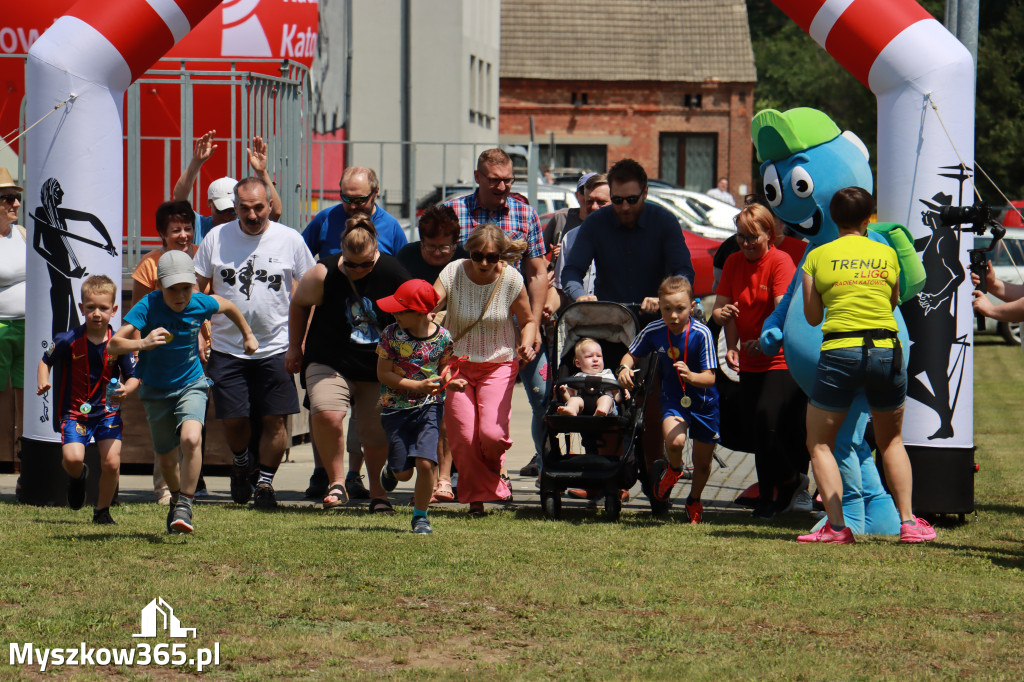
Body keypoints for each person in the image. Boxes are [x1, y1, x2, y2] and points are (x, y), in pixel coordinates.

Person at [798, 187, 935, 544]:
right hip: (886, 351)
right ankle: (908, 524)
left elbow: (812, 317)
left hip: (840, 352)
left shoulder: (817, 255)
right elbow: (892, 302)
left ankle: (838, 528)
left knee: (820, 443)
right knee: (891, 440)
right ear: (868, 219)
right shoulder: (886, 252)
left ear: (832, 217)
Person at [562, 159, 695, 508]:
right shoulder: (597, 223)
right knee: (603, 399)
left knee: (652, 411)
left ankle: (657, 486)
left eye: (631, 200)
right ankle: (607, 478)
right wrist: (581, 295)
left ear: (645, 193)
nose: (623, 207)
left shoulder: (664, 222)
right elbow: (572, 271)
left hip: (654, 327)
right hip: (612, 325)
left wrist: (664, 297)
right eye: (617, 199)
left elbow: (684, 270)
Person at [111, 251, 258, 534]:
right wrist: (143, 343)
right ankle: (176, 497)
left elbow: (228, 306)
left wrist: (248, 335)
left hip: (192, 384)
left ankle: (185, 504)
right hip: (154, 391)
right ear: (159, 287)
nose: (180, 296)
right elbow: (114, 345)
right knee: (166, 459)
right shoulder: (148, 304)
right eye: (172, 289)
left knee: (191, 439)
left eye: (186, 288)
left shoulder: (199, 302)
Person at [193, 176, 315, 509]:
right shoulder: (217, 238)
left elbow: (310, 290)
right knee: (234, 419)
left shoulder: (289, 239)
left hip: (276, 345)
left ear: (269, 206)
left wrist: (299, 342)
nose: (252, 215)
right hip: (226, 347)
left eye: (259, 207)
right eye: (245, 209)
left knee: (276, 419)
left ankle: (265, 485)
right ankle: (242, 461)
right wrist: (201, 329)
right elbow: (194, 289)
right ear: (235, 208)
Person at [286, 215, 409, 514]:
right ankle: (337, 482)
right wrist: (294, 347)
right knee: (327, 413)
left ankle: (378, 494)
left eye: (365, 264)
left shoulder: (392, 272)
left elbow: (414, 312)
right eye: (351, 264)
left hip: (376, 365)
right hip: (329, 357)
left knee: (375, 432)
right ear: (341, 250)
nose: (357, 270)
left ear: (376, 251)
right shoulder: (323, 272)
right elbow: (299, 304)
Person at [443, 149, 549, 486]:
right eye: (494, 180)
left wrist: (533, 322)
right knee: (461, 412)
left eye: (507, 180)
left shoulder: (525, 213)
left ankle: (540, 466)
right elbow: (439, 263)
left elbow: (536, 272)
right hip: (463, 321)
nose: (502, 186)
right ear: (477, 177)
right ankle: (459, 475)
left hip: (514, 316)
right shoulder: (455, 212)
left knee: (540, 393)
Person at [712, 203, 809, 518]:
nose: (746, 244)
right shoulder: (732, 262)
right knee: (757, 430)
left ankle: (792, 481)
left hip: (780, 357)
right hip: (749, 359)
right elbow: (722, 308)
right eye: (741, 237)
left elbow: (783, 311)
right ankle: (768, 496)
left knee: (769, 425)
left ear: (771, 234)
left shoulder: (781, 262)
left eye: (753, 237)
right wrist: (731, 342)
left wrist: (765, 342)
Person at [433, 224, 537, 517]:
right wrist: (423, 314)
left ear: (501, 256)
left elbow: (528, 321)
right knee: (464, 439)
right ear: (469, 251)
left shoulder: (511, 279)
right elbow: (430, 301)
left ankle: (491, 472)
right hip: (457, 366)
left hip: (498, 365)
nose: (483, 263)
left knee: (490, 435)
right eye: (478, 255)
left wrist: (527, 344)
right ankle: (476, 500)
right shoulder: (453, 272)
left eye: (491, 257)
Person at [36, 275, 139, 525]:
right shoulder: (67, 339)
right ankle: (78, 476)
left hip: (108, 413)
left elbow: (135, 376)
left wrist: (127, 389)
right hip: (74, 413)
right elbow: (45, 360)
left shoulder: (119, 344)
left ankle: (102, 511)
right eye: (90, 307)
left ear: (114, 310)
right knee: (72, 459)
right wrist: (43, 380)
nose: (96, 313)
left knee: (112, 463)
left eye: (103, 308)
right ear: (81, 308)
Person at [617, 276, 718, 524]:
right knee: (674, 441)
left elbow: (710, 378)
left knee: (703, 464)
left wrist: (692, 376)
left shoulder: (701, 333)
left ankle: (694, 500)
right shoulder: (654, 330)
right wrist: (623, 369)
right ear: (659, 306)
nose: (673, 316)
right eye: (667, 309)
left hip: (704, 404)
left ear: (692, 307)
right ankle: (673, 469)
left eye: (680, 309)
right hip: (674, 399)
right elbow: (631, 354)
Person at [131, 200, 211, 503]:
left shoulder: (198, 261)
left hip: (191, 355)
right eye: (175, 230)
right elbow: (137, 314)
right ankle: (164, 489)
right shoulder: (150, 265)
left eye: (188, 228)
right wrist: (139, 351)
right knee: (163, 427)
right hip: (159, 357)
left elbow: (202, 305)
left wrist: (205, 336)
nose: (183, 235)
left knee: (191, 424)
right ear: (162, 234)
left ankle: (189, 486)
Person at [376, 279, 467, 533]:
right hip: (396, 408)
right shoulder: (391, 335)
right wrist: (416, 386)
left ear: (418, 313)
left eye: (399, 309)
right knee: (404, 473)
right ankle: (392, 470)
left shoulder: (442, 338)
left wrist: (451, 382)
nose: (394, 313)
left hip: (430, 406)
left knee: (426, 463)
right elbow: (383, 374)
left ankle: (421, 516)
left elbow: (443, 368)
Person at [395, 204, 468, 501]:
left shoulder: (464, 261)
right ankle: (406, 465)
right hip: (411, 346)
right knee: (416, 412)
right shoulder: (406, 258)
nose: (439, 253)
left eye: (446, 247)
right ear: (420, 241)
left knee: (445, 412)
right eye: (432, 247)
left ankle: (443, 479)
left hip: (452, 342)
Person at [172, 130, 283, 240]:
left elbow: (275, 212)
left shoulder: (247, 225)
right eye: (221, 210)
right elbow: (178, 200)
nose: (227, 216)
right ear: (209, 203)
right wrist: (196, 162)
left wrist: (262, 172)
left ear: (238, 206)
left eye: (232, 210)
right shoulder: (198, 226)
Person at [303, 166, 408, 259]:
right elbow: (299, 257)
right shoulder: (326, 219)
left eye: (359, 200)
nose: (353, 206)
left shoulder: (391, 226)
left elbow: (405, 270)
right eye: (346, 198)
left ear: (375, 193)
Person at [553, 172, 612, 305]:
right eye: (589, 201)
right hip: (581, 319)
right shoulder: (571, 237)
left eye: (601, 202)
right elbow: (560, 289)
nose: (594, 207)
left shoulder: (628, 238)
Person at [0, 168, 26, 458]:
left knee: (25, 396)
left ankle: (22, 464)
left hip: (26, 327)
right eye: (8, 198)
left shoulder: (21, 233)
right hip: (1, 328)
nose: (16, 204)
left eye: (17, 198)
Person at [556, 338, 621, 417]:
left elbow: (617, 398)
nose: (595, 359)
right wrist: (563, 393)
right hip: (582, 408)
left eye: (599, 356)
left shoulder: (608, 375)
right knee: (574, 400)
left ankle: (601, 411)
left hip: (607, 410)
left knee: (607, 399)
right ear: (578, 363)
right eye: (589, 356)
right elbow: (568, 399)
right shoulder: (576, 378)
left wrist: (622, 393)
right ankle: (571, 410)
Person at [543, 172, 594, 263]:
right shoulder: (561, 217)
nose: (588, 197)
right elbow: (537, 254)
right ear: (577, 195)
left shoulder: (611, 222)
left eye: (593, 191)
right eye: (583, 191)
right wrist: (551, 271)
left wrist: (566, 253)